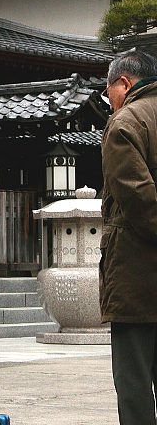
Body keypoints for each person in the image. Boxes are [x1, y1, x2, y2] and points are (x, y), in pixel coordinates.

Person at [99, 49, 157, 425]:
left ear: (124, 82)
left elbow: (138, 199)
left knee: (135, 385)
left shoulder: (125, 122)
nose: (110, 101)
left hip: (138, 277)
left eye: (109, 93)